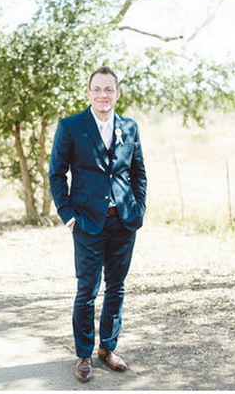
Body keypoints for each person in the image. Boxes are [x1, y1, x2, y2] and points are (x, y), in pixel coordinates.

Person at [49, 66, 147, 382]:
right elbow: (56, 174)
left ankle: (108, 348)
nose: (103, 95)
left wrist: (138, 207)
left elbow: (138, 172)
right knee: (86, 290)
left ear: (117, 94)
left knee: (116, 287)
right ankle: (84, 354)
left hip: (124, 222)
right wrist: (68, 215)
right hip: (87, 223)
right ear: (89, 92)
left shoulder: (130, 127)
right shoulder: (71, 126)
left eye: (109, 89)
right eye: (97, 89)